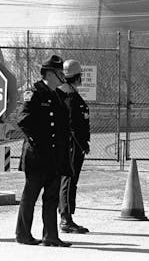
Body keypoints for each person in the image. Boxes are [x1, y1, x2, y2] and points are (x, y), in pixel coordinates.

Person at [15, 54, 73, 247]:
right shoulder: (35, 92)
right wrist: (37, 144)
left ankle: (51, 235)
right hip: (37, 156)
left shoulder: (58, 96)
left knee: (51, 197)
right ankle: (23, 234)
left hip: (54, 156)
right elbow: (23, 120)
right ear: (48, 73)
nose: (61, 77)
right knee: (30, 196)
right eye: (58, 73)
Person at [57, 59, 91, 234]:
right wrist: (82, 144)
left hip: (68, 143)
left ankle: (66, 215)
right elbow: (73, 124)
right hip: (72, 145)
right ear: (78, 77)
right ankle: (66, 218)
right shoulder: (70, 95)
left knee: (66, 180)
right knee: (69, 180)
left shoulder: (63, 91)